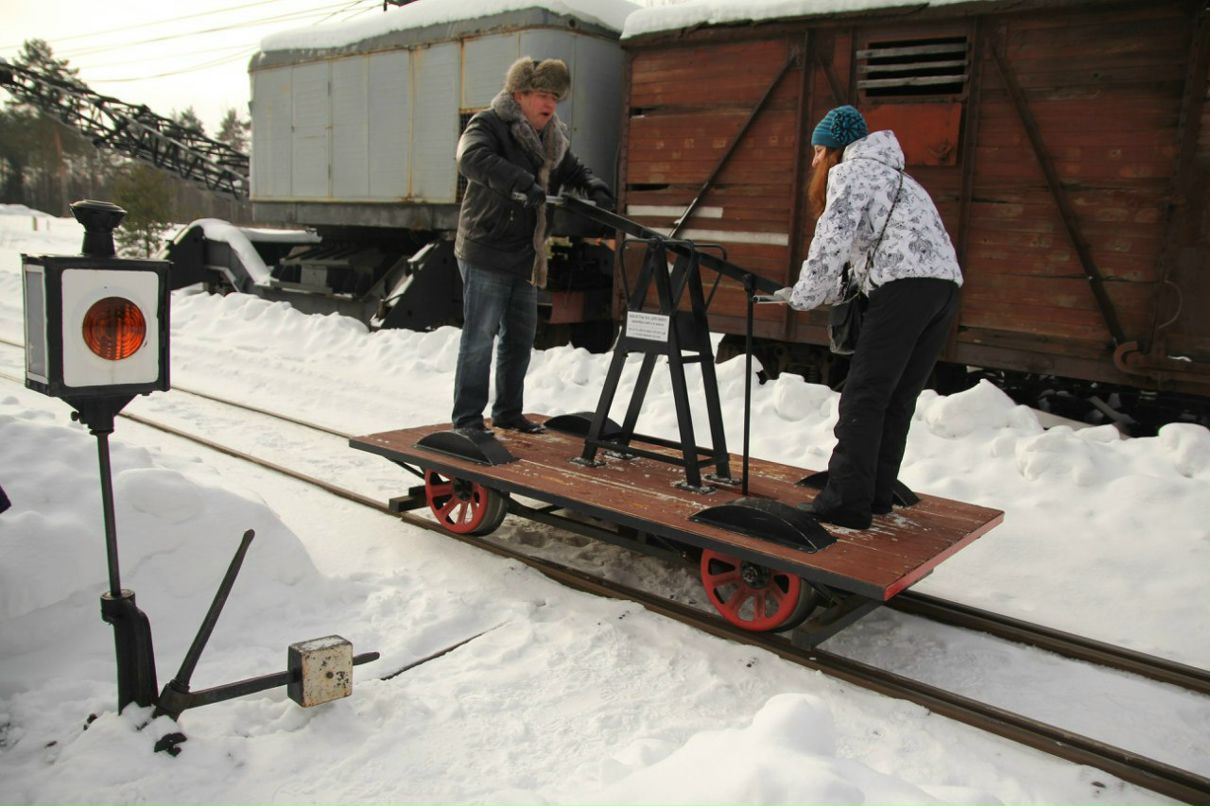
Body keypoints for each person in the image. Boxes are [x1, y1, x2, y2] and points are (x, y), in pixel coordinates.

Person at [778, 105, 963, 530]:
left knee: (864, 395)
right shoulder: (904, 180)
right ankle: (875, 494)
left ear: (834, 151)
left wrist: (803, 296)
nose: (814, 161)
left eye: (818, 151)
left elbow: (831, 242)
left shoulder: (850, 173)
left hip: (903, 291)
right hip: (944, 290)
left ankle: (844, 503)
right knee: (896, 397)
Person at [452, 56, 614, 436]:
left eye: (556, 98)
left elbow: (573, 169)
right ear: (519, 94)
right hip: (486, 248)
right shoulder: (489, 123)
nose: (551, 105)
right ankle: (468, 421)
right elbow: (470, 158)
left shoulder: (551, 137)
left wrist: (594, 185)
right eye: (543, 95)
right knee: (479, 339)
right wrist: (521, 182)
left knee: (520, 339)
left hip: (527, 255)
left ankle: (508, 414)